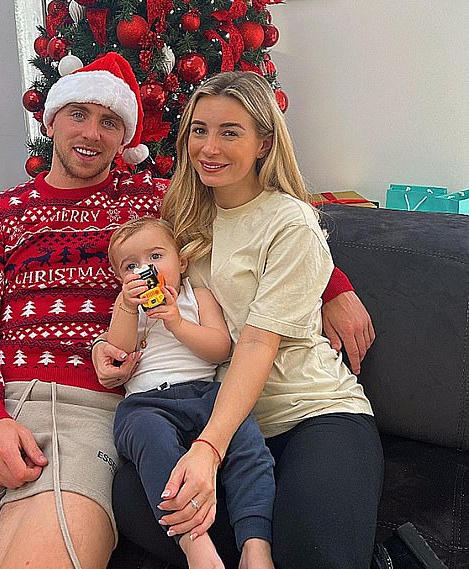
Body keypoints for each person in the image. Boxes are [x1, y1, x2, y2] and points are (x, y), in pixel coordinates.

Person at [0, 52, 373, 569]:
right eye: (78, 115)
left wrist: (335, 286)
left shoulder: (157, 201)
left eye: (110, 121)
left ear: (125, 138)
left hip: (94, 415)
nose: (92, 133)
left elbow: (264, 221)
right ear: (52, 121)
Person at [106, 71, 384, 569]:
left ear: (264, 143)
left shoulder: (290, 222)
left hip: (309, 414)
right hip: (222, 421)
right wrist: (114, 351)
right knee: (131, 499)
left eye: (230, 132)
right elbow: (135, 270)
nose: (208, 147)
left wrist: (208, 450)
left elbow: (256, 342)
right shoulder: (182, 216)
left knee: (315, 555)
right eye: (198, 129)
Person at [107, 217, 275, 569]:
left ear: (181, 262)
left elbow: (220, 348)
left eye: (155, 256)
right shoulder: (126, 307)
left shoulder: (196, 296)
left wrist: (176, 322)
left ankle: (255, 545)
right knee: (153, 445)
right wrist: (126, 306)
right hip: (146, 404)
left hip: (204, 393)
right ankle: (194, 544)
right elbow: (117, 351)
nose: (145, 270)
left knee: (246, 441)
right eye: (131, 266)